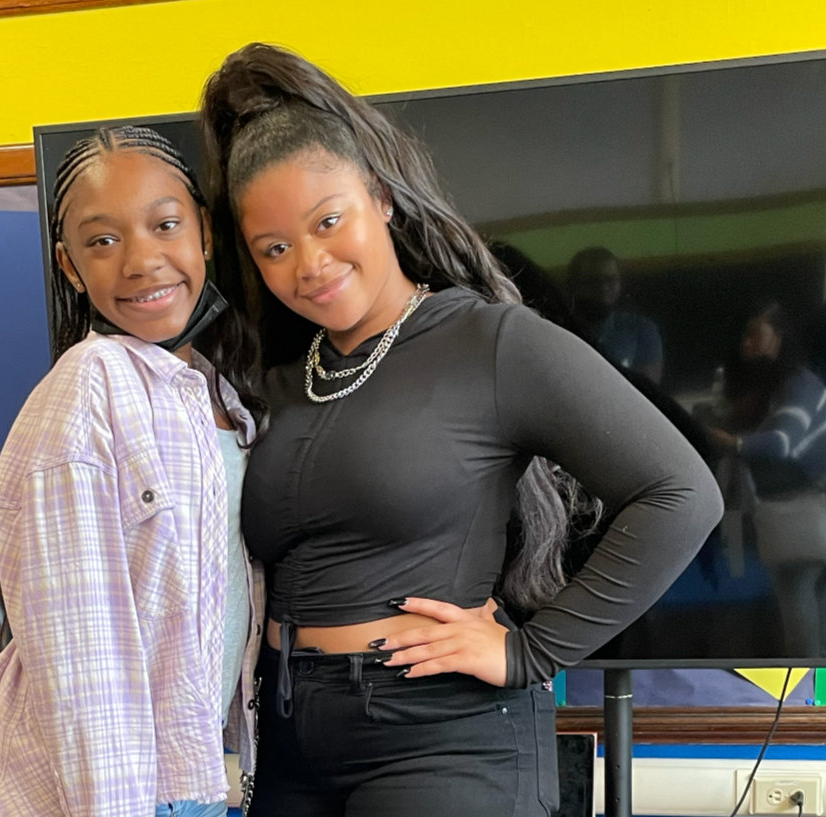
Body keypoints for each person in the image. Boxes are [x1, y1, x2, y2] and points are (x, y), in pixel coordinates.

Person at [199, 43, 723, 817]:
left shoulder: (491, 342)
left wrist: (529, 651)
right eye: (274, 248)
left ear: (378, 197)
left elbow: (681, 493)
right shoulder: (278, 377)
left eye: (328, 220)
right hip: (286, 736)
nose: (307, 263)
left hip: (440, 736)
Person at [0, 125, 265, 817]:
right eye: (102, 240)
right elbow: (82, 656)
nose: (141, 260)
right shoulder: (87, 389)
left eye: (165, 225)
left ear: (204, 234)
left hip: (187, 778)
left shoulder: (221, 396)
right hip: (106, 792)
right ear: (69, 265)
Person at [708, 301, 826, 656]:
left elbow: (780, 443)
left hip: (804, 511)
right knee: (813, 600)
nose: (747, 343)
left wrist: (728, 441)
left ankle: (809, 695)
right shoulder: (781, 389)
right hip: (801, 512)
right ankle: (818, 699)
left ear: (779, 338)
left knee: (797, 596)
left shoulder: (801, 386)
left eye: (755, 334)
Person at [566, 246, 664, 384]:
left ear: (620, 283)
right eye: (592, 282)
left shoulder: (641, 329)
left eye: (610, 280)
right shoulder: (560, 329)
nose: (603, 288)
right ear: (574, 285)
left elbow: (647, 390)